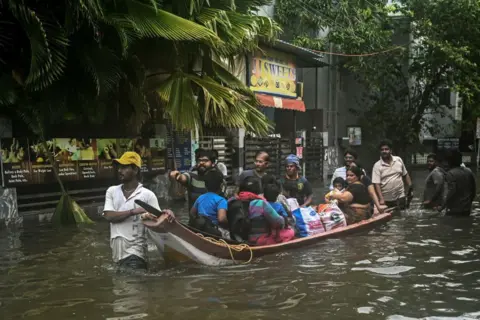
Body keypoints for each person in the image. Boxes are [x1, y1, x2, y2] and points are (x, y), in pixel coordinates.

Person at [103, 151, 174, 270]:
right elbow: (109, 216)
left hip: (136, 255)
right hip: (117, 255)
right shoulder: (112, 191)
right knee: (121, 287)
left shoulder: (147, 195)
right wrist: (134, 211)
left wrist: (167, 214)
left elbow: (160, 223)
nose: (120, 170)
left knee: (131, 286)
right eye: (119, 167)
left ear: (135, 170)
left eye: (124, 167)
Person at [230, 176, 294, 245]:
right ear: (258, 189)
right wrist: (285, 219)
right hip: (258, 240)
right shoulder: (260, 203)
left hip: (237, 238)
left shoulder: (232, 200)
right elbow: (278, 222)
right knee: (291, 232)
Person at [372, 140, 413, 209]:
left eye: (386, 149)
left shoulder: (398, 160)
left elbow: (405, 174)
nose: (384, 151)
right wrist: (381, 199)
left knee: (403, 216)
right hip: (387, 200)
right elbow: (377, 184)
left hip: (401, 196)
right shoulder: (377, 165)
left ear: (391, 151)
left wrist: (410, 189)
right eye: (382, 150)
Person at [189, 170, 230, 238]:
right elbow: (221, 219)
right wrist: (228, 225)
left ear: (205, 185)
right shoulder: (221, 200)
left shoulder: (200, 197)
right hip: (214, 232)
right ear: (221, 185)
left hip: (200, 230)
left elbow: (192, 213)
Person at [441, 149, 476, 216]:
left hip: (454, 210)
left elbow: (452, 190)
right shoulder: (468, 171)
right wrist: (469, 202)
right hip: (467, 209)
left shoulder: (450, 173)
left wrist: (442, 206)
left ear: (449, 161)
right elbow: (473, 189)